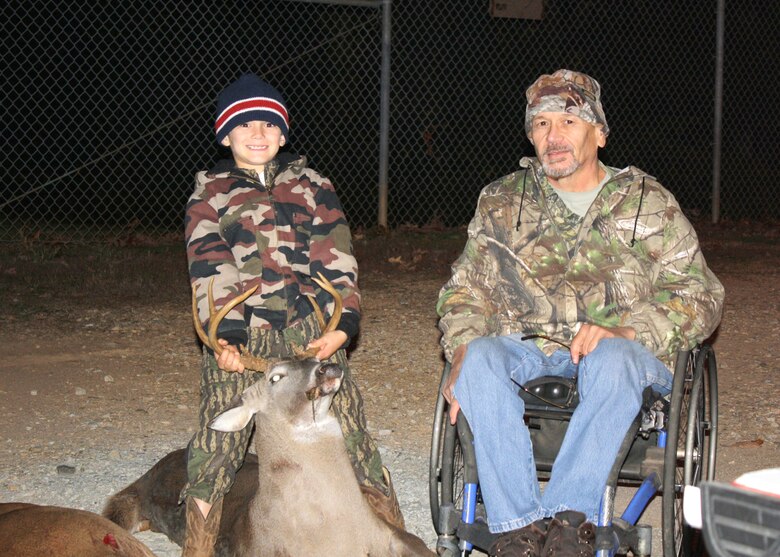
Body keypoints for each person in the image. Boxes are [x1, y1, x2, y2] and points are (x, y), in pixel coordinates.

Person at [436, 69, 724, 557]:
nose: (554, 137)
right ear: (530, 135)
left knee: (612, 357)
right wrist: (462, 347)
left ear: (600, 134)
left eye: (569, 121)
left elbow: (700, 294)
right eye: (542, 124)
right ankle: (519, 530)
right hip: (526, 349)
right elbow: (464, 289)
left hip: (620, 355)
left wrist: (629, 329)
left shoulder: (647, 203)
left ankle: (570, 524)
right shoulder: (503, 201)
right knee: (479, 358)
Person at [181, 73, 401, 557]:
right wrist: (228, 340)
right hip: (245, 336)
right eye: (244, 126)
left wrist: (341, 327)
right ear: (225, 135)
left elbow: (336, 260)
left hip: (309, 333)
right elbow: (209, 266)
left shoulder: (314, 187)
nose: (257, 134)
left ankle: (386, 528)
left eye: (267, 125)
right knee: (218, 443)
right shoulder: (210, 195)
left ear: (283, 134)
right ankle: (197, 542)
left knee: (348, 424)